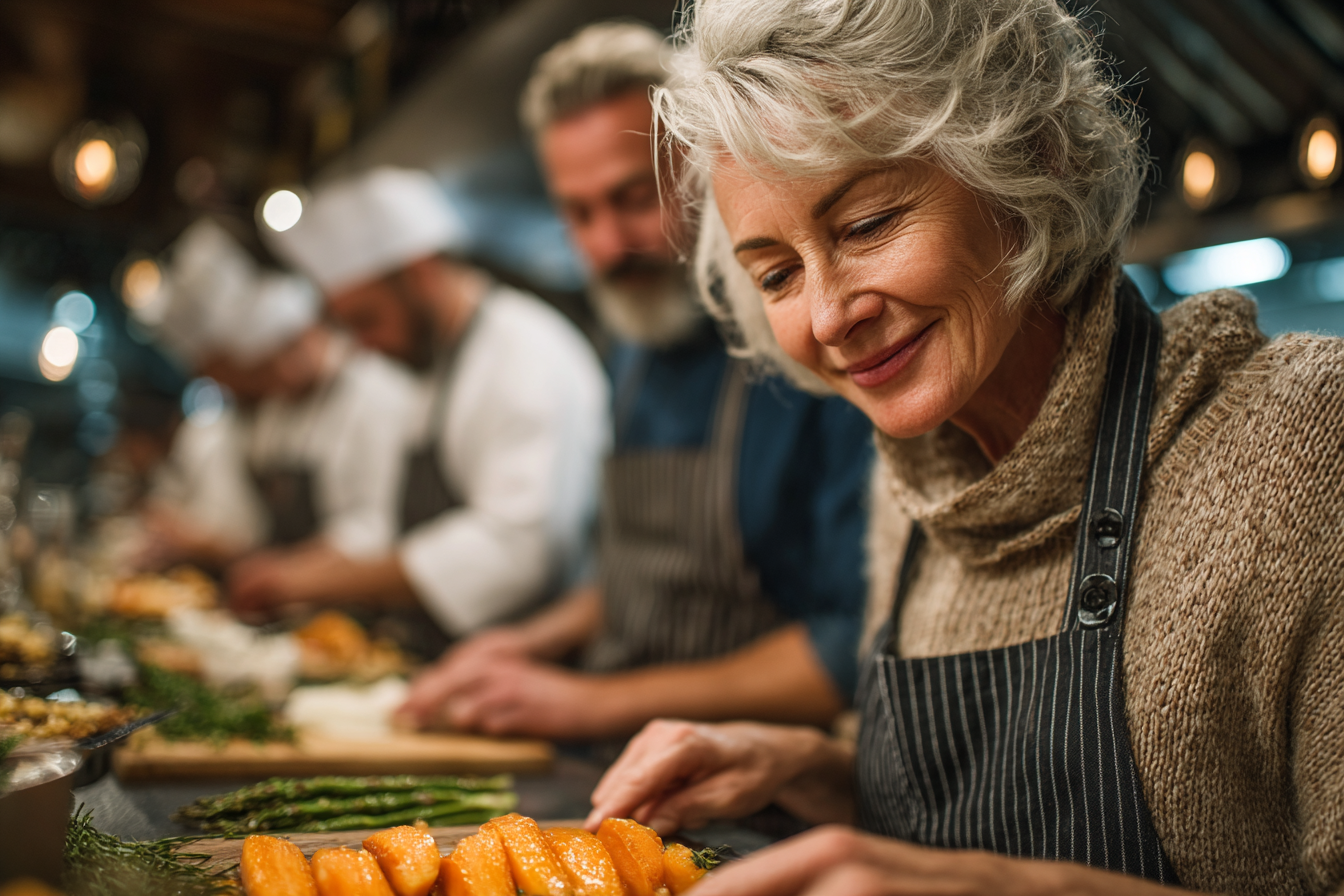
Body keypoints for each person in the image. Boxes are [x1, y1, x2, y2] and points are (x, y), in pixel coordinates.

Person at [583, 0, 1344, 892]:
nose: (830, 317)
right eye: (778, 274)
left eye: (867, 225)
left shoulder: (1305, 440)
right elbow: (936, 826)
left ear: (1028, 162)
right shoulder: (913, 479)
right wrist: (810, 769)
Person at [395, 22, 873, 741]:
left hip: (754, 780)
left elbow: (850, 645)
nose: (606, 248)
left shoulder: (811, 349)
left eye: (633, 199)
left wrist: (588, 703)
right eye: (578, 213)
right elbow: (636, 581)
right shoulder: (631, 344)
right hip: (620, 745)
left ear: (702, 172)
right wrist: (531, 643)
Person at [251, 167, 609, 646]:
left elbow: (516, 551)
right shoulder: (423, 368)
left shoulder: (524, 352)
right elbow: (387, 527)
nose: (360, 347)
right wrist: (298, 571)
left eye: (367, 320)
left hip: (532, 662)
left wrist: (310, 581)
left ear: (420, 273)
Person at [144, 218, 414, 580]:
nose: (256, 387)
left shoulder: (375, 390)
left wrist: (283, 575)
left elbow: (373, 535)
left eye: (254, 371)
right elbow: (252, 531)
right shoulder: (275, 413)